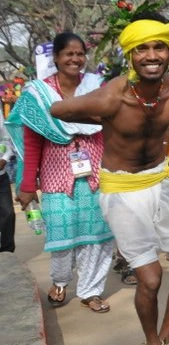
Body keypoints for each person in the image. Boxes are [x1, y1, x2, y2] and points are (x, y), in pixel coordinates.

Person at [50, 14, 169, 345]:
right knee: (150, 278)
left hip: (162, 179)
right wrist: (103, 118)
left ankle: (167, 338)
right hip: (122, 189)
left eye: (159, 47)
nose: (152, 55)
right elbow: (58, 110)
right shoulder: (111, 96)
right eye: (142, 48)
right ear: (130, 55)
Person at [7, 33, 114, 309]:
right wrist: (27, 185)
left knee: (97, 235)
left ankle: (90, 291)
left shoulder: (96, 86)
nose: (75, 59)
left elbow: (113, 126)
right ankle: (61, 281)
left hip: (96, 171)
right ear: (55, 57)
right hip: (56, 175)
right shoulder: (38, 93)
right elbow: (32, 142)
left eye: (80, 54)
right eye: (69, 54)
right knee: (61, 235)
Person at [0, 114, 15, 253]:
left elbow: (6, 140)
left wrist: (4, 159)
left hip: (1, 175)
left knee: (8, 213)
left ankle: (7, 249)